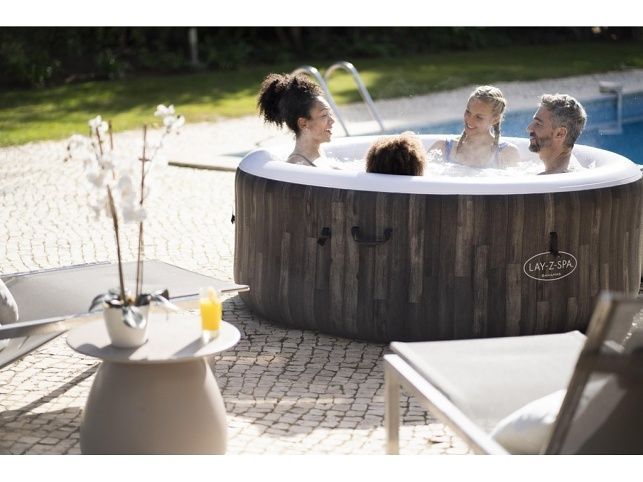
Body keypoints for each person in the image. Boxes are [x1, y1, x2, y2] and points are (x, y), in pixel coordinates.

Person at [429, 85, 520, 168]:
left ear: (495, 120)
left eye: (479, 117)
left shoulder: (506, 153)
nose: (470, 120)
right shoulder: (442, 148)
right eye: (468, 112)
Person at [257, 72, 335, 166]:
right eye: (324, 115)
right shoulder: (299, 165)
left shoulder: (318, 156)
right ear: (303, 123)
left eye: (330, 113)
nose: (332, 121)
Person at [526, 93, 587, 174]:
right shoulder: (572, 166)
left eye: (538, 124)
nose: (529, 128)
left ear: (560, 133)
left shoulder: (547, 179)